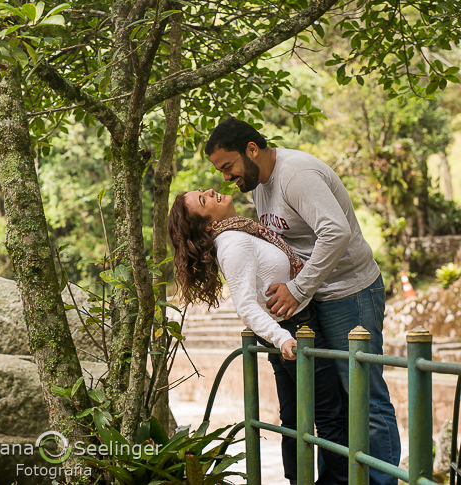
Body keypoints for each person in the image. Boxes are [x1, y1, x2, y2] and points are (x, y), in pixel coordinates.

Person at [204, 117, 400, 485]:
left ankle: (384, 482)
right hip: (314, 299)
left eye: (227, 166)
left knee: (365, 399)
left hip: (350, 291)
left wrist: (297, 289)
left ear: (251, 149)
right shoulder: (260, 186)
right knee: (333, 408)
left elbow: (335, 231)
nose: (226, 177)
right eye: (220, 171)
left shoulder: (297, 174)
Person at [168, 189, 347, 485]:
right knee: (330, 415)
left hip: (293, 326)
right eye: (204, 200)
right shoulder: (232, 242)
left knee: (295, 418)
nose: (211, 191)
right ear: (209, 225)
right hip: (294, 330)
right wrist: (281, 338)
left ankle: (299, 481)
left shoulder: (243, 232)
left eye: (203, 192)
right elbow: (245, 304)